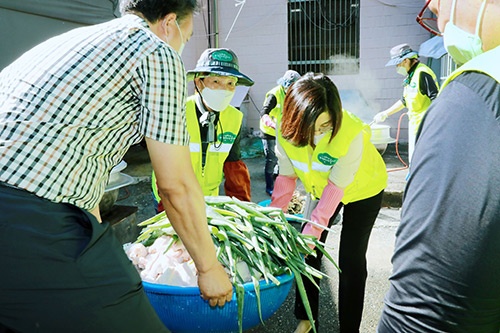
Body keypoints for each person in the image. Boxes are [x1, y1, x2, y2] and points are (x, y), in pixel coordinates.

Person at [0, 1, 234, 332]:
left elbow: (74, 154)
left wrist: (96, 242)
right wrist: (208, 268)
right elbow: (175, 184)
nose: (182, 45)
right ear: (169, 24)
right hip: (27, 216)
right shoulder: (155, 50)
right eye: (188, 35)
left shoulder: (74, 42)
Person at [378, 0, 500, 332]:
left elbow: (425, 315)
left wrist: (448, 117)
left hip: (436, 134)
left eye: (443, 0)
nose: (435, 11)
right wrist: (386, 116)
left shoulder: (479, 89)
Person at [270, 73, 388, 333]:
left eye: (325, 127)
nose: (316, 137)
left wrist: (312, 232)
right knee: (308, 251)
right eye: (310, 128)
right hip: (321, 189)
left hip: (363, 189)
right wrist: (272, 223)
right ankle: (307, 319)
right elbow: (286, 179)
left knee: (351, 259)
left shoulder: (350, 132)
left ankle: (349, 329)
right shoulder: (284, 131)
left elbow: (336, 190)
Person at [152, 48, 254, 212]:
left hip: (208, 198)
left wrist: (241, 207)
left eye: (230, 83)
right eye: (216, 82)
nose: (224, 89)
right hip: (172, 197)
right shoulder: (177, 112)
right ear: (199, 82)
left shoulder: (234, 117)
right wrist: (168, 206)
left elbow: (233, 164)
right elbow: (165, 163)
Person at [373, 43, 439, 161]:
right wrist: (385, 113)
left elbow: (437, 99)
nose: (397, 67)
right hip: (415, 125)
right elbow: (404, 101)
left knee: (422, 160)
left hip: (425, 127)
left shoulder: (422, 73)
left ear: (406, 60)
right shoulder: (410, 77)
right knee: (414, 159)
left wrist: (432, 123)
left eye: (398, 63)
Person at [259, 69, 301, 196]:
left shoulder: (294, 94)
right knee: (271, 159)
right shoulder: (274, 94)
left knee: (282, 158)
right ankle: (269, 187)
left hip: (282, 131)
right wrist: (269, 122)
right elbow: (264, 112)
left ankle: (278, 183)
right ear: (285, 84)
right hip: (269, 131)